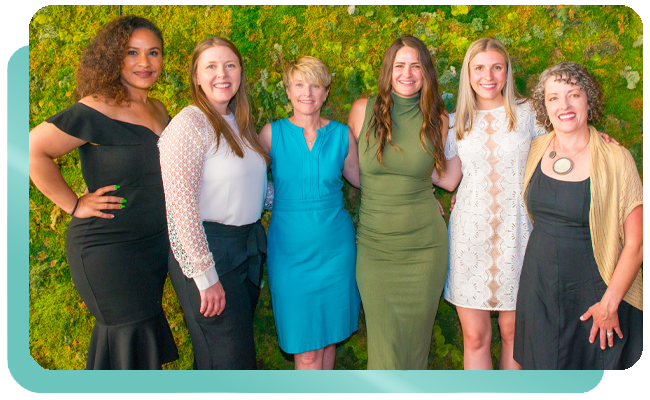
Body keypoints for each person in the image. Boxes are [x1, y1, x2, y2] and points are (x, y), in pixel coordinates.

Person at [28, 16, 178, 369]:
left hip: (153, 248)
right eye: (132, 53)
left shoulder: (158, 109)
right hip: (108, 249)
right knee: (128, 341)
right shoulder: (94, 108)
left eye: (153, 53)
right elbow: (31, 149)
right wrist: (74, 203)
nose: (145, 62)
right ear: (114, 57)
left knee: (135, 351)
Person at [514, 61, 643, 369]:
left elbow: (637, 243)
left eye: (574, 94)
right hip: (540, 290)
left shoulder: (615, 158)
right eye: (554, 97)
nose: (565, 105)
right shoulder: (535, 148)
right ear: (544, 106)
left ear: (589, 100)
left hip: (597, 298)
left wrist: (609, 305)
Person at [432, 37, 545, 370]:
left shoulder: (530, 115)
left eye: (497, 67)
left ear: (507, 72)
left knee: (514, 333)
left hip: (519, 232)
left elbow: (562, 149)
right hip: (470, 236)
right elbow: (448, 179)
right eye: (479, 68)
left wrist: (600, 142)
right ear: (468, 74)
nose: (488, 76)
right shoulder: (454, 122)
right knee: (476, 337)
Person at [158, 37, 270, 370]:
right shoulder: (188, 125)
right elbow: (181, 211)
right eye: (211, 66)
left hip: (245, 248)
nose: (222, 74)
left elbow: (253, 188)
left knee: (223, 362)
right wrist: (205, 277)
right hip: (208, 254)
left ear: (240, 73)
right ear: (196, 77)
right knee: (229, 364)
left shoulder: (239, 122)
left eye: (230, 65)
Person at [347, 36, 449, 370]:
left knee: (416, 349)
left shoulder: (438, 118)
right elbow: (353, 171)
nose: (408, 73)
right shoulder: (363, 110)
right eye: (400, 65)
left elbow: (440, 174)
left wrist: (423, 194)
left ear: (426, 72)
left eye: (416, 65)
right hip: (375, 249)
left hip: (424, 248)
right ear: (388, 70)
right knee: (385, 348)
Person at [257, 56, 361, 370]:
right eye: (300, 84)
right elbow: (248, 182)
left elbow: (363, 180)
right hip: (290, 254)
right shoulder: (271, 134)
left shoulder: (343, 135)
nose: (307, 92)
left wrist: (419, 189)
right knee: (306, 351)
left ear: (326, 93)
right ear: (288, 91)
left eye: (315, 85)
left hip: (336, 251)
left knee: (328, 340)